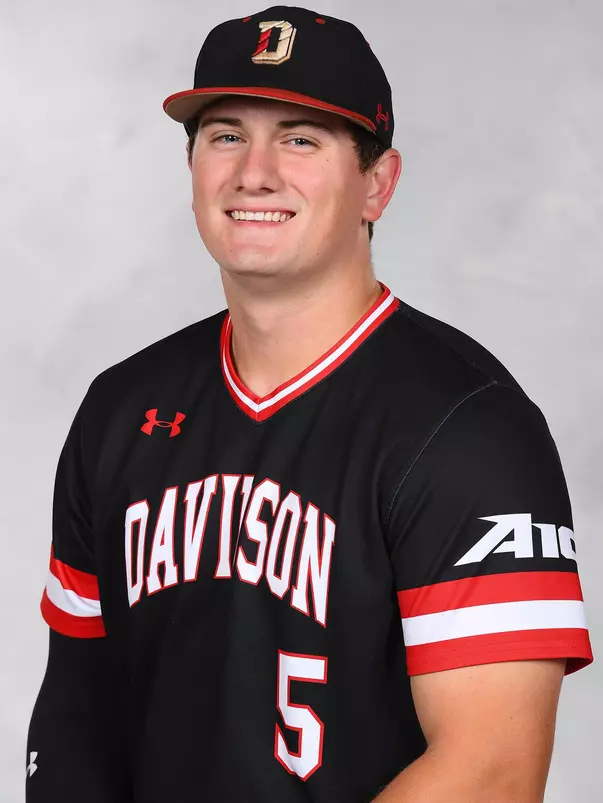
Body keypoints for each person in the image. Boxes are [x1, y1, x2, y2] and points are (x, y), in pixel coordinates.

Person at [26, 6, 593, 802]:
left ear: (377, 183)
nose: (253, 172)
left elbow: (490, 770)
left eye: (299, 138)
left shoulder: (469, 425)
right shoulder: (122, 408)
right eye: (225, 135)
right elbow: (75, 717)